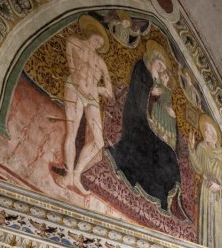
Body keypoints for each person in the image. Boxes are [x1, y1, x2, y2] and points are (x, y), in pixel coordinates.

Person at [108, 40, 181, 212]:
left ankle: (161, 196)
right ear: (152, 59)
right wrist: (151, 92)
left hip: (148, 124)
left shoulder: (158, 82)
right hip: (137, 120)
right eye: (160, 64)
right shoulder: (142, 68)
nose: (162, 69)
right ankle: (156, 194)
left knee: (167, 155)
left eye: (164, 67)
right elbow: (137, 92)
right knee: (156, 151)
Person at [55, 15, 114, 195]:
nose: (98, 43)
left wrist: (98, 89)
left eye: (101, 43)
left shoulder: (101, 62)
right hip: (74, 87)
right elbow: (71, 67)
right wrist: (81, 85)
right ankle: (67, 175)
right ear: (91, 31)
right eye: (97, 38)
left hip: (92, 97)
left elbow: (109, 90)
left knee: (99, 141)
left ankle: (77, 174)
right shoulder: (74, 42)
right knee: (71, 132)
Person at [188, 114, 222, 248]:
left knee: (216, 225)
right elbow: (198, 168)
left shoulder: (220, 156)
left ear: (214, 134)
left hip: (217, 197)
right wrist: (191, 148)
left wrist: (218, 187)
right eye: (205, 131)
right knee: (206, 224)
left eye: (208, 131)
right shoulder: (201, 147)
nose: (205, 133)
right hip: (206, 191)